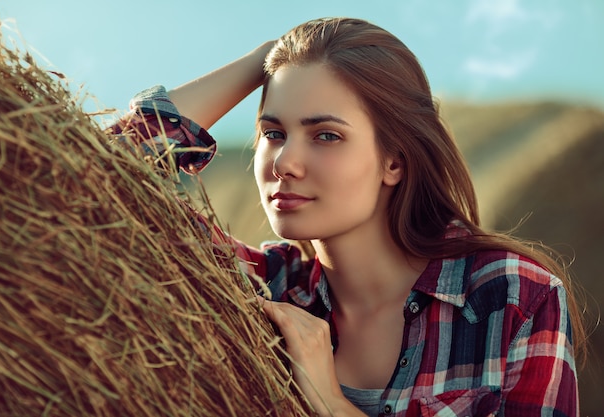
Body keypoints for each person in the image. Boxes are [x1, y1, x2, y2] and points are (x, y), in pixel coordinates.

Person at [113, 17, 585, 417]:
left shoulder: (511, 296)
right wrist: (263, 62)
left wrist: (332, 404)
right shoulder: (262, 288)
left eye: (326, 136)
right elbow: (88, 182)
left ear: (394, 161)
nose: (284, 163)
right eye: (274, 132)